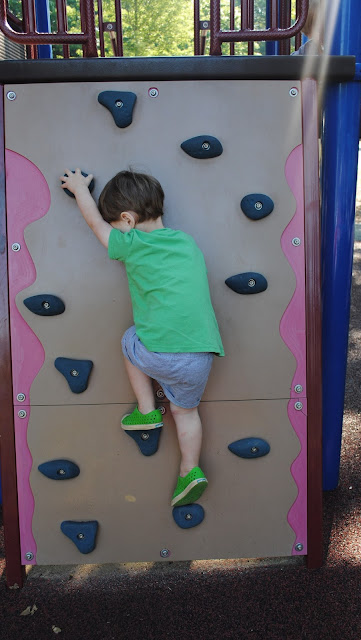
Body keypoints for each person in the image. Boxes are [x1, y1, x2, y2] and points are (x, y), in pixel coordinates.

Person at [60, 168, 224, 507]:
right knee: (186, 413)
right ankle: (190, 470)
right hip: (202, 355)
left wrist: (79, 190)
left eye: (118, 224)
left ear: (127, 220)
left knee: (130, 340)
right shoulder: (187, 242)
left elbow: (96, 225)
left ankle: (147, 410)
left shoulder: (132, 243)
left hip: (160, 352)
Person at [291, 0, 361, 96]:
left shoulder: (346, 50)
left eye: (322, 29)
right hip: (315, 102)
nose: (318, 35)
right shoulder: (305, 51)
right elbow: (288, 69)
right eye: (312, 30)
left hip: (345, 101)